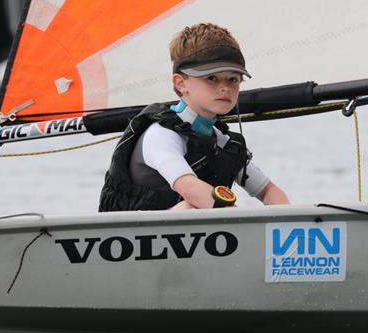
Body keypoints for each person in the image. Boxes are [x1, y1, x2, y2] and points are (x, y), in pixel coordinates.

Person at [99, 23, 289, 211]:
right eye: (212, 78)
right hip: (134, 237)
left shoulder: (222, 142)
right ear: (180, 83)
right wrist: (246, 221)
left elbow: (268, 190)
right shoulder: (161, 135)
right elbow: (190, 188)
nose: (225, 87)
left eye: (233, 79)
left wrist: (290, 222)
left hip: (194, 235)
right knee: (190, 206)